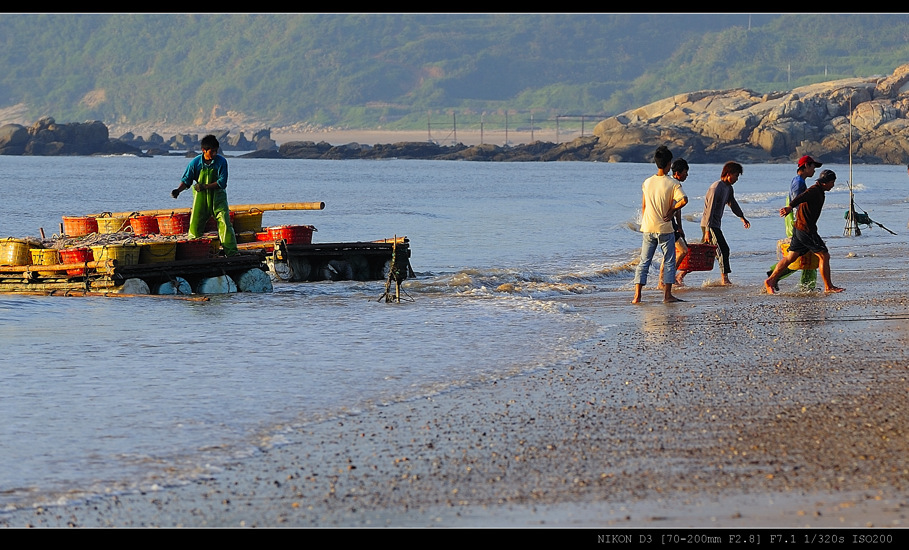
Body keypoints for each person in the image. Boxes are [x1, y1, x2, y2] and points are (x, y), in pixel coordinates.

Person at [765, 170, 844, 294]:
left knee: (791, 256)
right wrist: (790, 207)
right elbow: (800, 197)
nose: (833, 185)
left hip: (799, 228)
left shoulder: (819, 190)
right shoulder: (814, 190)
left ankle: (771, 280)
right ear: (825, 183)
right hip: (806, 229)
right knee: (824, 256)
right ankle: (829, 287)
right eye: (832, 182)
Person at [631, 146, 688, 304]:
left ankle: (637, 296)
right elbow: (684, 200)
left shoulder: (647, 182)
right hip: (665, 228)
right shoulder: (673, 183)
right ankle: (667, 295)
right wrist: (672, 210)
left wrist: (646, 221)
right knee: (669, 260)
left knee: (644, 261)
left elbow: (644, 206)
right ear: (669, 164)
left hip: (648, 227)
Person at [171, 134, 238, 256]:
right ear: (204, 150)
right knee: (195, 226)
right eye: (211, 151)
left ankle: (232, 253)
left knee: (225, 224)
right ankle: (193, 253)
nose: (214, 154)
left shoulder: (221, 162)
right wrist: (178, 190)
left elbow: (222, 183)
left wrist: (205, 186)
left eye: (216, 151)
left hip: (218, 199)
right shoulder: (195, 163)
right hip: (201, 200)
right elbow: (187, 180)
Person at [769, 155, 822, 288]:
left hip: (799, 223)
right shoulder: (799, 183)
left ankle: (776, 276)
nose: (814, 170)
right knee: (801, 256)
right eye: (813, 167)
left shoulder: (799, 181)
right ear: (806, 166)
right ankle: (775, 275)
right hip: (798, 223)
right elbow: (798, 205)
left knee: (800, 255)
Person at [699, 161, 750, 285]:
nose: (737, 179)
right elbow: (709, 209)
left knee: (705, 254)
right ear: (728, 174)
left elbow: (732, 203)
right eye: (736, 175)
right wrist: (707, 230)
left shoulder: (728, 188)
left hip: (715, 225)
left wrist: (742, 217)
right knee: (723, 249)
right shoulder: (716, 188)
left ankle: (680, 275)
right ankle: (725, 279)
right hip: (709, 225)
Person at [664, 158, 691, 286]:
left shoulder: (673, 183)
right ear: (678, 173)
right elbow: (677, 205)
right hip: (668, 223)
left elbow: (678, 209)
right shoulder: (673, 184)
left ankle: (666, 279)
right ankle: (668, 278)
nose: (687, 175)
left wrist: (680, 227)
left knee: (672, 252)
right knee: (682, 251)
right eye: (685, 172)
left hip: (671, 224)